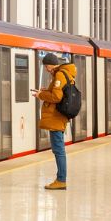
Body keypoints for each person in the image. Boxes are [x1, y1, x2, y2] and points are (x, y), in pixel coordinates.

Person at [35, 53, 77, 191]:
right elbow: (58, 92)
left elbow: (57, 96)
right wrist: (45, 91)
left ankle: (61, 180)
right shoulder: (64, 74)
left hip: (56, 118)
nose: (46, 69)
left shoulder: (59, 75)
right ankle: (60, 179)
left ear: (50, 65)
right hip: (58, 117)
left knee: (59, 150)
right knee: (58, 150)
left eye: (46, 66)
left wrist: (41, 95)